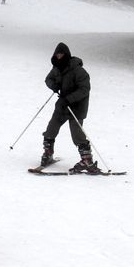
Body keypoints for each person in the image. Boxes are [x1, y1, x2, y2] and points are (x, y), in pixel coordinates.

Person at [40, 42, 99, 173]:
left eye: (61, 54)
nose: (59, 56)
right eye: (57, 54)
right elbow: (48, 79)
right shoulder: (56, 67)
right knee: (51, 128)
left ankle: (87, 160)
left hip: (77, 106)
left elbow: (85, 89)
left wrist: (69, 98)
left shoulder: (78, 69)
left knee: (77, 134)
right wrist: (54, 86)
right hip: (62, 105)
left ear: (66, 55)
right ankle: (48, 153)